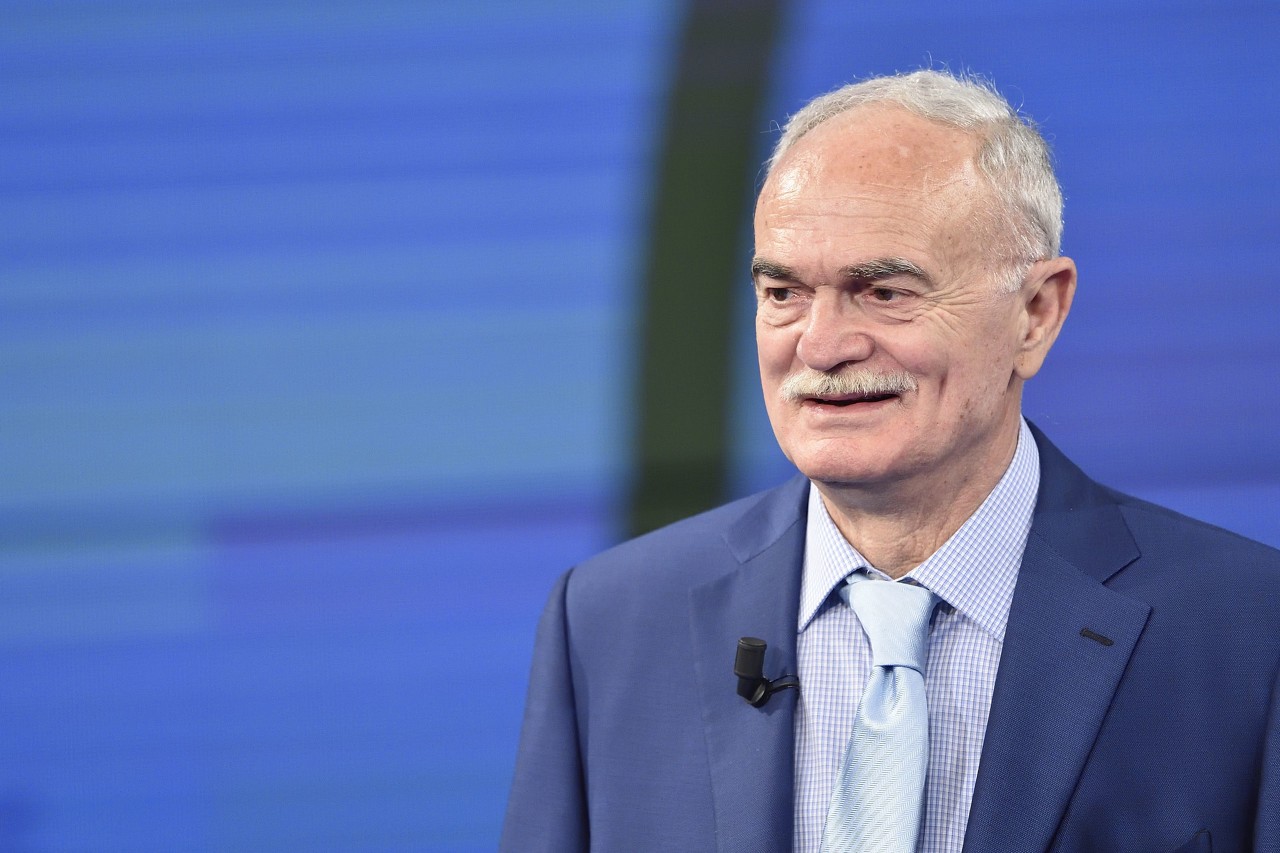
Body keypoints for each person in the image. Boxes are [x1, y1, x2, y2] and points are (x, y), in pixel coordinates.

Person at [500, 70, 1280, 852]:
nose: (821, 346)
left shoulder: (1248, 631)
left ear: (1036, 313)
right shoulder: (608, 622)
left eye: (884, 292)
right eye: (783, 292)